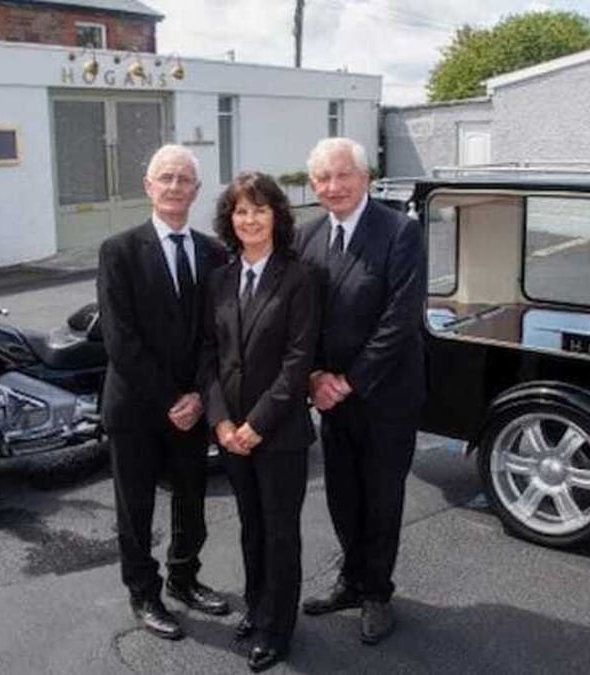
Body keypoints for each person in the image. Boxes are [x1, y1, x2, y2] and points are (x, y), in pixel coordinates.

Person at [295, 137, 426, 645]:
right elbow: (299, 321)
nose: (334, 187)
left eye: (342, 175)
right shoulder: (306, 239)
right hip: (330, 398)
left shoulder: (400, 232)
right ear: (313, 186)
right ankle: (350, 580)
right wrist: (312, 379)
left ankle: (376, 593)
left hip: (385, 397)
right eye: (323, 179)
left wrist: (348, 381)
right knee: (342, 496)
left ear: (365, 176)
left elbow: (400, 320)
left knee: (381, 499)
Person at [97, 144, 230, 640]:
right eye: (165, 177)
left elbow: (215, 335)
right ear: (148, 187)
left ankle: (184, 578)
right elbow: (120, 339)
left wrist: (197, 395)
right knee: (136, 510)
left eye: (184, 179)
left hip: (192, 409)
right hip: (136, 407)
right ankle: (144, 593)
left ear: (196, 191)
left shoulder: (214, 252)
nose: (175, 186)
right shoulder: (119, 251)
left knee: (192, 500)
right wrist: (170, 399)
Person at [200, 172, 318, 672]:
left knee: (280, 531)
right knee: (251, 527)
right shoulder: (219, 279)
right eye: (241, 211)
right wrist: (222, 423)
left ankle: (278, 627)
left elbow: (298, 360)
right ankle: (257, 605)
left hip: (280, 433)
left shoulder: (300, 277)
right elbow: (208, 356)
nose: (250, 218)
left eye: (260, 209)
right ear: (230, 220)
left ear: (277, 216)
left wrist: (257, 425)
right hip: (231, 433)